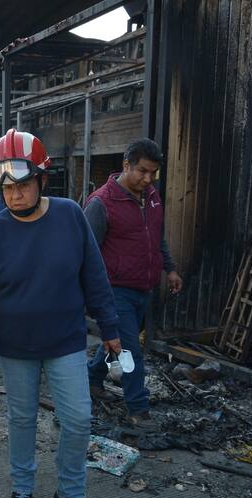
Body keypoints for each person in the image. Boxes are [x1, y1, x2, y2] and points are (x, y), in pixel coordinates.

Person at [0, 129, 121, 498]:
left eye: (24, 185)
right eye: (7, 187)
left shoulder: (70, 215)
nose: (14, 195)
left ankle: (70, 491)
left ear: (42, 181)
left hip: (66, 341)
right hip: (16, 346)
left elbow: (95, 275)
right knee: (22, 419)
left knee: (79, 418)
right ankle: (22, 487)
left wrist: (110, 326)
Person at [84, 138, 182, 429]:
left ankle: (91, 379)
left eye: (153, 173)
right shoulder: (101, 202)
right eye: (142, 171)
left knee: (115, 343)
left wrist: (171, 268)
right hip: (115, 291)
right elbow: (86, 253)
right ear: (125, 165)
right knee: (129, 350)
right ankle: (138, 408)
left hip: (144, 288)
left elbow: (155, 237)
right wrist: (91, 297)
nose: (148, 178)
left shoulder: (151, 196)